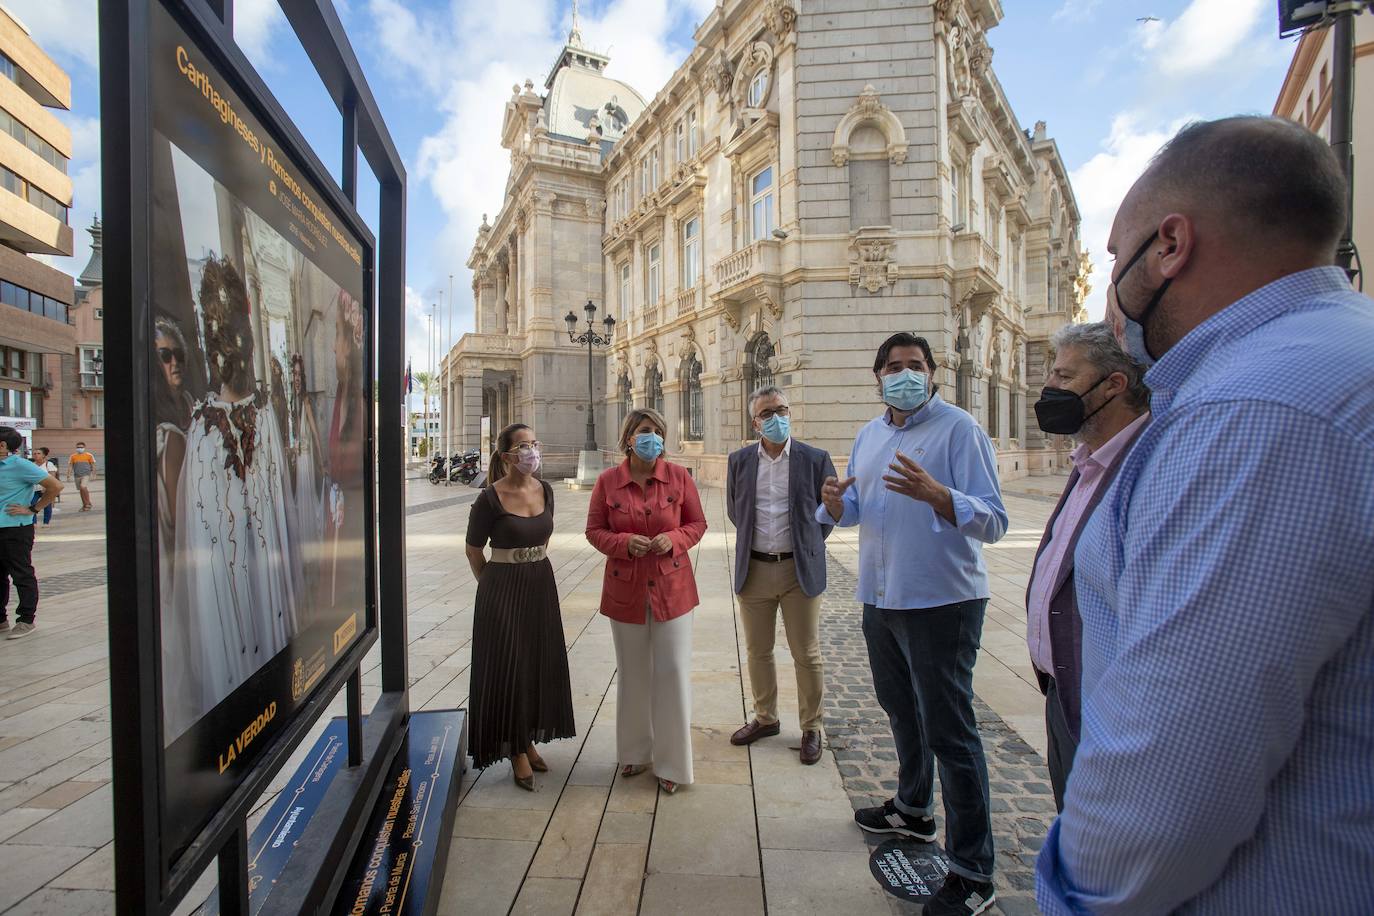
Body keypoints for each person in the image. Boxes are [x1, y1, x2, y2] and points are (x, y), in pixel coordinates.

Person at [1036, 117, 1374, 915]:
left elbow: (1175, 764)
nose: (1113, 284)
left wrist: (1074, 895)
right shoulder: (1333, 355)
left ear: (1171, 246)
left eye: (1118, 257)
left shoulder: (1258, 407)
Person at [821, 332, 1007, 916]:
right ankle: (913, 808)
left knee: (951, 734)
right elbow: (858, 511)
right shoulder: (870, 435)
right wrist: (833, 504)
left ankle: (974, 871)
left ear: (933, 373)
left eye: (916, 366)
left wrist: (943, 497)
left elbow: (995, 520)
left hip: (941, 603)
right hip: (882, 596)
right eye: (894, 367)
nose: (905, 374)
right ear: (877, 377)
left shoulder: (959, 430)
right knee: (901, 710)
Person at [163, 255, 300, 740]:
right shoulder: (201, 427)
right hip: (225, 577)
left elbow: (279, 509)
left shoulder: (264, 416)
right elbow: (199, 528)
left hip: (264, 575)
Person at [1025, 322, 1149, 811]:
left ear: (1113, 385)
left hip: (1109, 712)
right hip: (1064, 690)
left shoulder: (1147, 464)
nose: (1050, 387)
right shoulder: (1089, 461)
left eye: (1063, 376)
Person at [586, 408, 707, 795]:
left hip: (673, 588)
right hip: (626, 590)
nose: (651, 437)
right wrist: (622, 543)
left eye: (657, 431)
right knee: (633, 672)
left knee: (671, 672)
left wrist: (676, 539)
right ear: (628, 439)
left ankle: (673, 762)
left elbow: (698, 523)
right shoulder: (608, 482)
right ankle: (635, 752)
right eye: (644, 430)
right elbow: (594, 530)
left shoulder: (680, 477)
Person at [726, 384, 836, 765]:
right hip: (754, 569)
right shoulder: (739, 461)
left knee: (806, 653)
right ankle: (765, 718)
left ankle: (811, 726)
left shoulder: (814, 458)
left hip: (797, 570)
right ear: (755, 422)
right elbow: (735, 511)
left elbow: (827, 515)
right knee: (758, 650)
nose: (777, 418)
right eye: (768, 413)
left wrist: (804, 545)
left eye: (782, 410)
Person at [465, 423, 575, 790]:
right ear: (507, 455)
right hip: (502, 588)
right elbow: (473, 549)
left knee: (535, 663)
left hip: (540, 584)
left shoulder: (545, 489)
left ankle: (527, 738)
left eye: (534, 443)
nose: (531, 450)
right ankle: (514, 749)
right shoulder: (489, 498)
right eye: (523, 445)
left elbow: (543, 535)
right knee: (509, 666)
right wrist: (493, 588)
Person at [0, 427, 62, 639]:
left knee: (21, 574)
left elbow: (55, 486)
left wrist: (33, 509)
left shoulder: (20, 465)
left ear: (3, 445)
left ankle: (26, 620)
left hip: (16, 529)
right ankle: (1, 620)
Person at [153, 317, 194, 616]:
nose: (174, 362)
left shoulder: (189, 413)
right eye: (165, 356)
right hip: (176, 567)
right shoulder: (170, 436)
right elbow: (183, 522)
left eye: (178, 354)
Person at [29, 447, 58, 526]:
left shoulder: (48, 464)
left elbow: (52, 477)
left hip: (46, 489)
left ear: (43, 455)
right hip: (34, 489)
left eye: (38, 453)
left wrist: (47, 487)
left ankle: (46, 522)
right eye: (34, 454)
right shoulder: (31, 465)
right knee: (32, 504)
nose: (36, 455)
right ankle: (33, 522)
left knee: (47, 505)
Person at [68, 442, 96, 511]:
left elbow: (93, 465)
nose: (79, 448)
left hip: (86, 474)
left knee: (83, 487)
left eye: (81, 447)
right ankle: (85, 504)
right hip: (77, 475)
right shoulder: (73, 456)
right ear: (76, 448)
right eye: (78, 447)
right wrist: (68, 475)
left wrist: (94, 474)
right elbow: (70, 466)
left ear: (84, 447)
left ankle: (87, 504)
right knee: (81, 490)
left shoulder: (89, 455)